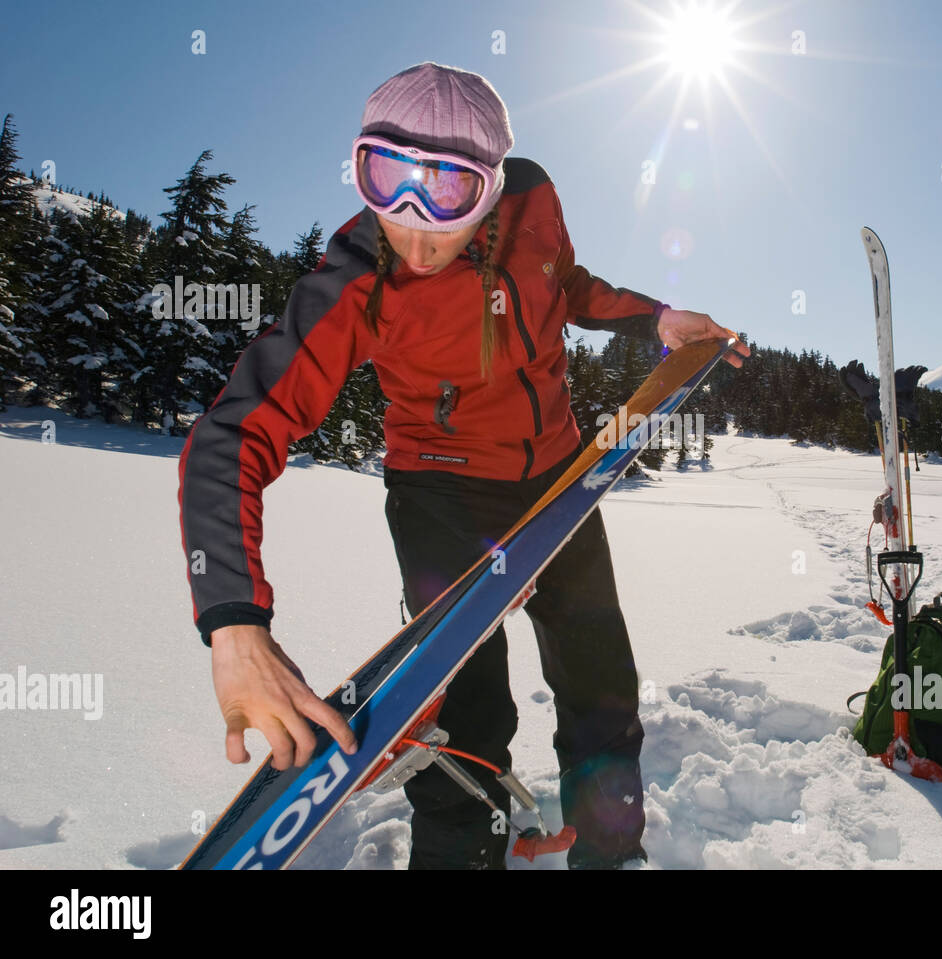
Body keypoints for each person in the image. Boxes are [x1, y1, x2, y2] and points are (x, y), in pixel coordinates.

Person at [177, 60, 749, 869]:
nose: (412, 226)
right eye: (384, 179)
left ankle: (612, 851)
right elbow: (232, 435)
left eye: (445, 191)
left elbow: (569, 286)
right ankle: (461, 851)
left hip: (558, 480)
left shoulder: (535, 199)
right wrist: (233, 621)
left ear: (491, 183)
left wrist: (657, 315)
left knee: (602, 687)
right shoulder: (358, 276)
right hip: (439, 491)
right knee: (466, 709)